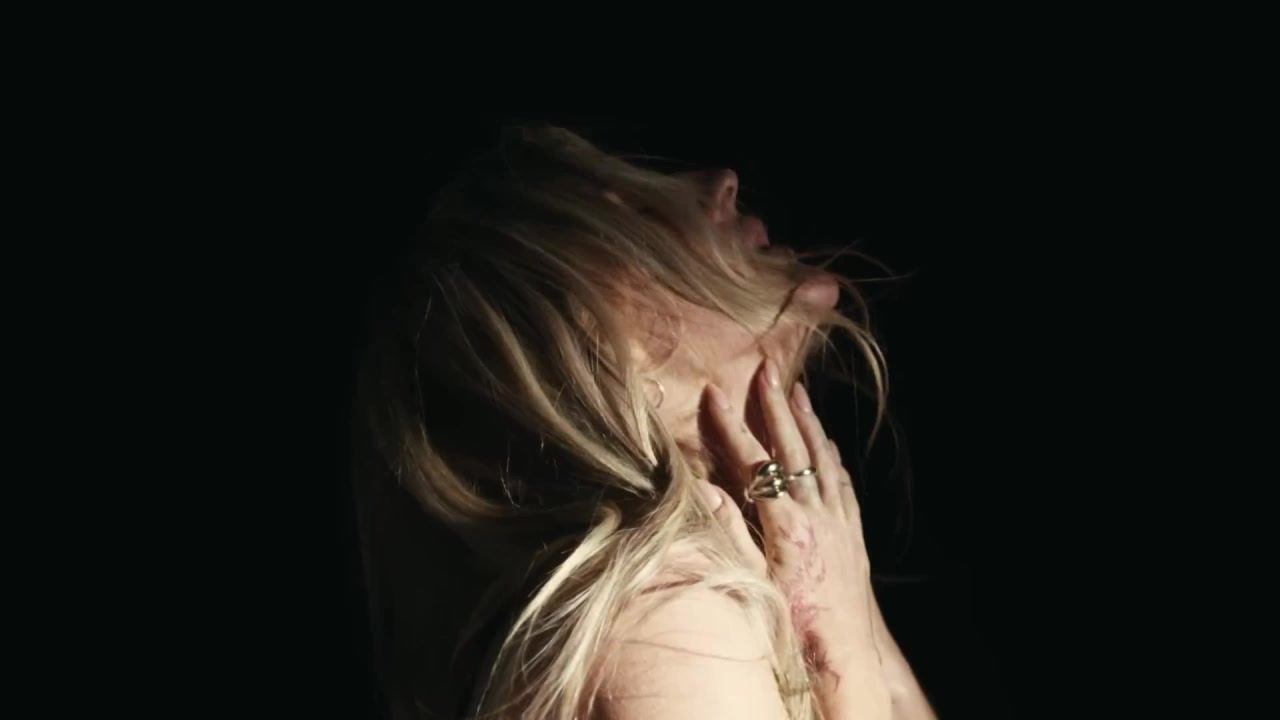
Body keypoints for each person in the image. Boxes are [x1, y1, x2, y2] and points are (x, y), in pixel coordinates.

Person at [351, 126, 935, 719]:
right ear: (593, 343)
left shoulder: (693, 605)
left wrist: (857, 629)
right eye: (642, 214)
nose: (720, 183)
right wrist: (843, 657)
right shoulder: (669, 619)